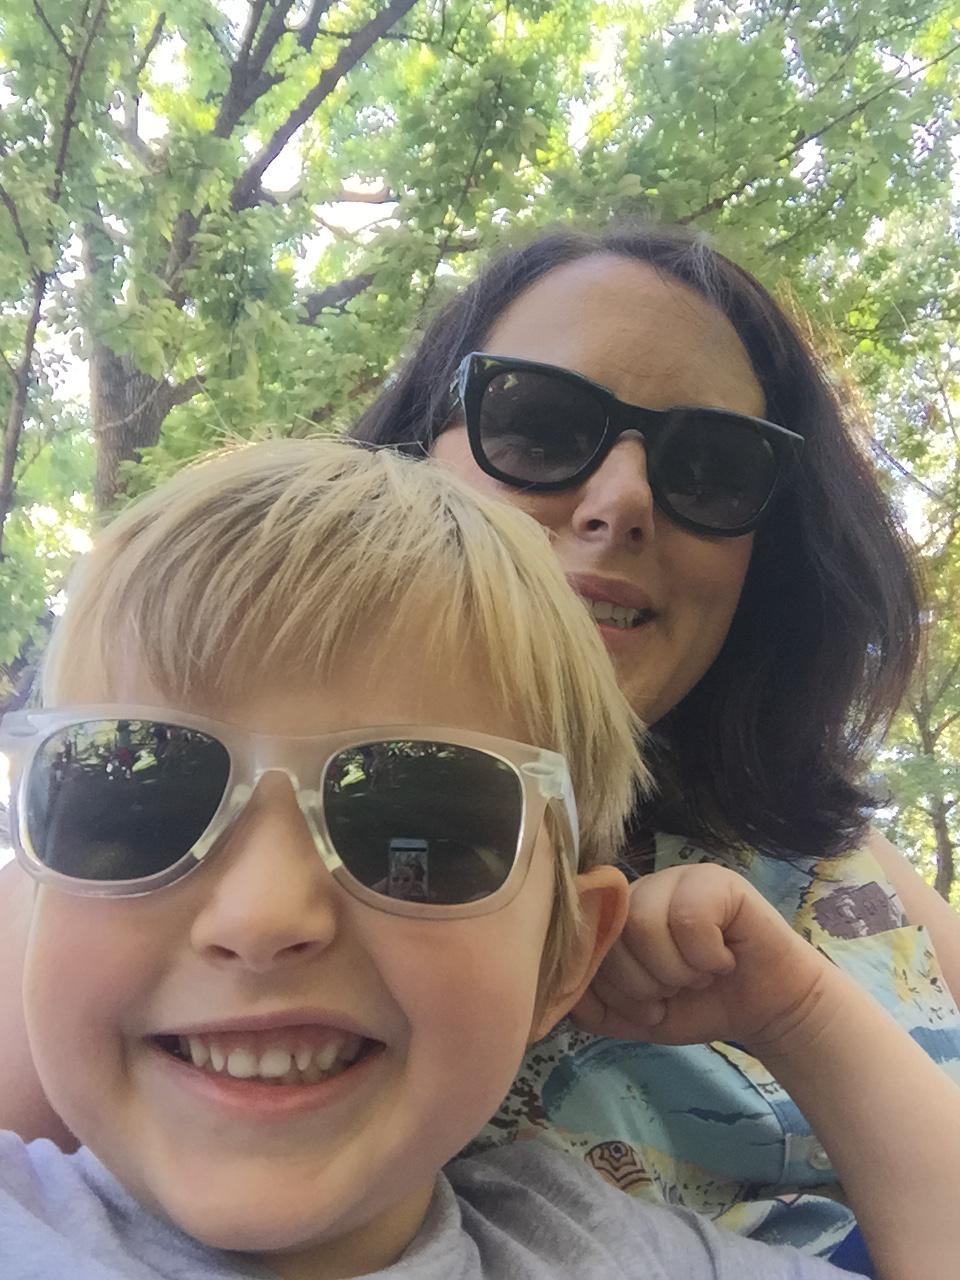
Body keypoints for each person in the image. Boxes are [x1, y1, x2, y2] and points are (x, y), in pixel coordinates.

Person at [2, 435, 960, 1280]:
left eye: (417, 830)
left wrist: (799, 1016)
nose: (262, 917)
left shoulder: (602, 1253)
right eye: (131, 814)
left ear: (564, 955)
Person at [349, 223, 960, 1267]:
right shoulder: (224, 838)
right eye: (538, 425)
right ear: (410, 453)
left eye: (711, 468)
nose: (624, 500)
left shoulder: (839, 854)